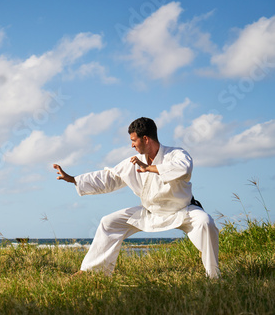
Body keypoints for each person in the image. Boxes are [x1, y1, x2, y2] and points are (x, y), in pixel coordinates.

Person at [53, 117, 220, 278]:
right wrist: (73, 179)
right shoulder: (133, 162)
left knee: (206, 223)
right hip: (150, 212)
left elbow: (184, 170)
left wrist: (150, 168)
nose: (132, 145)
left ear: (145, 139)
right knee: (108, 223)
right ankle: (92, 273)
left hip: (182, 210)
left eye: (134, 140)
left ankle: (213, 277)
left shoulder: (176, 154)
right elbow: (109, 178)